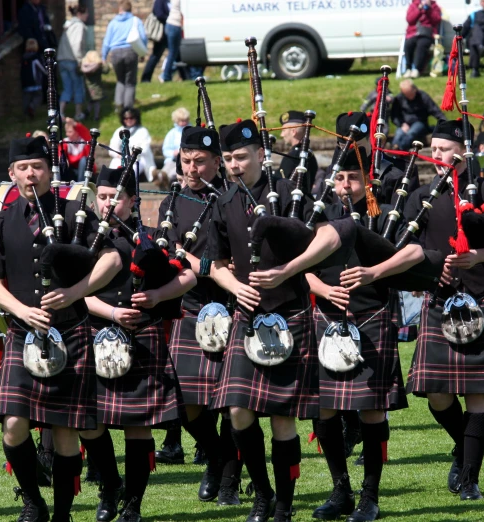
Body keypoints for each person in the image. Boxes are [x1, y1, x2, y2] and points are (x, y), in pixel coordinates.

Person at [0, 136, 122, 522]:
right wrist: (22, 310)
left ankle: (62, 512)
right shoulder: (1, 223)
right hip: (23, 335)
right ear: (11, 175)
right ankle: (33, 502)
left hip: (71, 331)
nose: (30, 173)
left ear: (49, 172)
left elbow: (111, 259)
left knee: (67, 431)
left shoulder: (76, 212)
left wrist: (75, 291)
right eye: (22, 168)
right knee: (12, 426)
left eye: (37, 166)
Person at [208, 119, 345, 522]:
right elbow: (214, 263)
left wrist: (289, 271)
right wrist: (234, 286)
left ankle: (283, 504)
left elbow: (327, 240)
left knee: (284, 420)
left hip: (291, 312)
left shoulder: (289, 193)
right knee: (238, 411)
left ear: (261, 155)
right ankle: (262, 495)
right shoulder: (224, 199)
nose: (234, 165)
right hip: (247, 313)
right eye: (229, 158)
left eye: (241, 157)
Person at [403, 120, 484, 500]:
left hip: (483, 299)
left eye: (443, 149)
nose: (435, 155)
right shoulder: (421, 196)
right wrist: (428, 266)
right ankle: (464, 445)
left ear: (463, 151)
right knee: (435, 393)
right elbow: (408, 249)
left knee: (477, 394)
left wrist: (478, 257)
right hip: (440, 301)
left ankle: (470, 478)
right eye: (433, 148)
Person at [307, 146, 424, 522]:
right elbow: (297, 264)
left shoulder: (386, 213)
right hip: (326, 317)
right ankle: (341, 489)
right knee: (323, 409)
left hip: (371, 316)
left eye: (352, 178)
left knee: (372, 411)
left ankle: (369, 496)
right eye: (339, 178)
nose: (345, 185)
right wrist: (322, 290)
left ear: (368, 181)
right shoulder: (318, 213)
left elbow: (415, 252)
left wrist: (374, 273)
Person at [79, 165, 194, 522]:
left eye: (116, 197)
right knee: (87, 422)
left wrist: (159, 294)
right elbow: (73, 292)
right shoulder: (85, 240)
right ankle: (110, 484)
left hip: (142, 338)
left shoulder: (152, 238)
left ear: (131, 201)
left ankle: (133, 504)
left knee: (138, 425)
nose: (108, 203)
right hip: (96, 334)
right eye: (102, 196)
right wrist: (112, 313)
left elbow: (188, 273)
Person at [158, 125, 245, 505]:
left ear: (216, 162)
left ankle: (229, 480)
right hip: (191, 306)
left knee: (233, 404)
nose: (191, 169)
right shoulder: (172, 201)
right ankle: (217, 457)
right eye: (185, 161)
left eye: (200, 162)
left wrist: (211, 266)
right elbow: (174, 252)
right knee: (188, 403)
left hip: (235, 305)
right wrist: (205, 265)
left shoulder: (233, 198)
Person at [102, 0, 146, 112]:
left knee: (120, 80)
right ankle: (128, 108)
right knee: (130, 82)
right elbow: (143, 38)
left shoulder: (113, 23)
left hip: (115, 53)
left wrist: (104, 56)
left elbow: (107, 41)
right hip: (131, 51)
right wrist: (142, 52)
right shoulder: (135, 20)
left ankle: (118, 105)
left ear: (120, 9)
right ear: (130, 9)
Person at [390, 80, 446, 151]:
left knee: (411, 133)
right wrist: (401, 124)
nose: (410, 96)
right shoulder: (399, 99)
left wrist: (445, 123)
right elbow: (394, 116)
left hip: (419, 122)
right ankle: (394, 149)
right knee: (399, 134)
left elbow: (435, 111)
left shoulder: (423, 97)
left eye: (411, 93)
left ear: (414, 89)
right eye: (407, 94)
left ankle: (398, 149)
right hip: (404, 124)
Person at [108, 108, 156, 183]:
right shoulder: (119, 130)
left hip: (138, 158)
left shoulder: (142, 131)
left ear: (136, 118)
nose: (128, 120)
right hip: (121, 158)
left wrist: (132, 154)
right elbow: (112, 147)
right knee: (113, 166)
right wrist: (119, 155)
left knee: (130, 171)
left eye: (131, 118)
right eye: (126, 118)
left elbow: (145, 148)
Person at [57, 4, 89, 120]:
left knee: (67, 88)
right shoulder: (79, 26)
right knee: (78, 86)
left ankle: (60, 112)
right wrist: (80, 60)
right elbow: (77, 44)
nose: (87, 15)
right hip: (72, 60)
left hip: (61, 60)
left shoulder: (68, 25)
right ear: (80, 14)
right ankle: (78, 113)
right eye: (86, 13)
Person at [278, 110, 319, 194]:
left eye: (284, 130)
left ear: (293, 132)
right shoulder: (309, 155)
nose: (281, 135)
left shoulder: (294, 156)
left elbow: (280, 183)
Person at [403, 0, 442, 78]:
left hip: (427, 33)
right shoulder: (413, 5)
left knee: (421, 45)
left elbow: (436, 20)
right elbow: (410, 20)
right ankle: (408, 68)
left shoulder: (434, 6)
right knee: (408, 44)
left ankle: (417, 69)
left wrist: (429, 9)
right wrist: (419, 9)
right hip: (413, 33)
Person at [140, 0, 170, 83]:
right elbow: (159, 14)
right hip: (161, 33)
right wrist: (169, 18)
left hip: (167, 32)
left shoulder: (168, 1)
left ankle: (186, 76)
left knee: (176, 54)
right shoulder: (160, 1)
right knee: (156, 56)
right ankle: (146, 78)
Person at [81, 50, 110, 122]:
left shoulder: (85, 66)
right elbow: (106, 70)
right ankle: (96, 116)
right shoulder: (98, 66)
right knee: (96, 103)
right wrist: (105, 63)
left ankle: (86, 113)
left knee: (90, 102)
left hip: (88, 88)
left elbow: (78, 71)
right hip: (96, 88)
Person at [60, 118, 92, 182]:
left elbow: (86, 132)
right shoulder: (65, 142)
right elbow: (60, 152)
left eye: (70, 132)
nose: (67, 134)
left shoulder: (85, 141)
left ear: (77, 132)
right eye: (66, 132)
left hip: (84, 169)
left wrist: (74, 123)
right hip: (71, 169)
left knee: (84, 160)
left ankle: (81, 185)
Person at [21, 38, 46, 119]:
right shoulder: (35, 57)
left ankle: (25, 113)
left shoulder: (24, 57)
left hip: (25, 82)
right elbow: (41, 67)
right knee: (38, 96)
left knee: (26, 97)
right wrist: (46, 72)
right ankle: (32, 107)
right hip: (35, 82)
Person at [161, 0, 183, 83]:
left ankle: (167, 74)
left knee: (174, 53)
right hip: (174, 25)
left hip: (171, 25)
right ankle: (165, 75)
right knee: (173, 52)